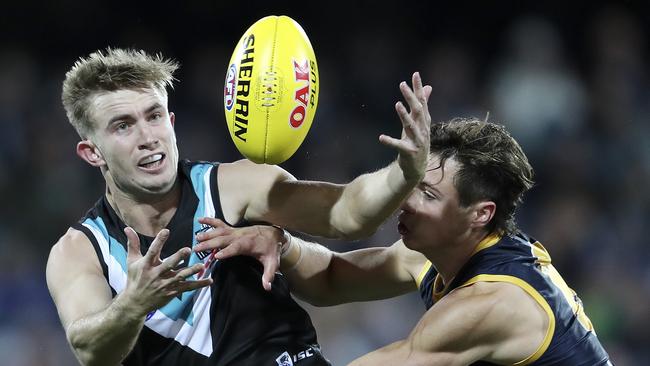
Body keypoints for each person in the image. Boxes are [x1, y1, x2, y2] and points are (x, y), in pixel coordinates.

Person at [45, 47, 433, 366]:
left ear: (172, 120)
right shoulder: (79, 251)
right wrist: (132, 305)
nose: (148, 137)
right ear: (91, 152)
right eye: (123, 126)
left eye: (155, 115)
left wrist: (404, 172)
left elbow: (347, 213)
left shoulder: (236, 186)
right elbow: (91, 350)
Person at [196, 118, 612, 365]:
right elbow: (333, 279)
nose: (404, 202)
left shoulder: (494, 302)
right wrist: (281, 243)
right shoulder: (445, 254)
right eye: (410, 185)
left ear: (480, 213)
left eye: (428, 195)